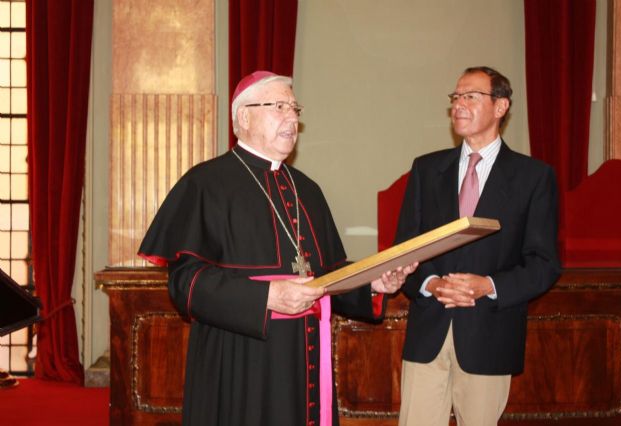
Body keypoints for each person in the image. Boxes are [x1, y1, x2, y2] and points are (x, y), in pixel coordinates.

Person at [138, 70, 416, 426]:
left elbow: (328, 274)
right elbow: (185, 284)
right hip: (239, 361)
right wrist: (267, 296)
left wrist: (373, 283)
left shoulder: (308, 190)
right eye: (278, 106)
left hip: (302, 362)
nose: (292, 117)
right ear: (243, 117)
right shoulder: (204, 184)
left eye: (295, 108)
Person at [395, 66, 560, 426]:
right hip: (428, 334)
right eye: (456, 97)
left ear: (501, 107)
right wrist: (432, 284)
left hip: (490, 333)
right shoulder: (426, 169)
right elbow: (404, 251)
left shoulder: (534, 177)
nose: (459, 104)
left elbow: (544, 263)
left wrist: (487, 286)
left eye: (471, 96)